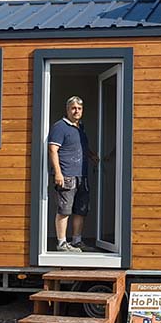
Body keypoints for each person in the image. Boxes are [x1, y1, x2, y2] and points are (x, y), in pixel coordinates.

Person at [48, 96, 98, 252]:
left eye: (79, 108)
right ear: (68, 109)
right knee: (65, 210)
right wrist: (58, 173)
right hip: (67, 175)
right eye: (73, 108)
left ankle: (76, 241)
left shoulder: (80, 128)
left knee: (80, 210)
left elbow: (79, 146)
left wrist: (91, 155)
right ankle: (62, 243)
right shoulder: (60, 127)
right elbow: (53, 150)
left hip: (82, 176)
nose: (76, 111)